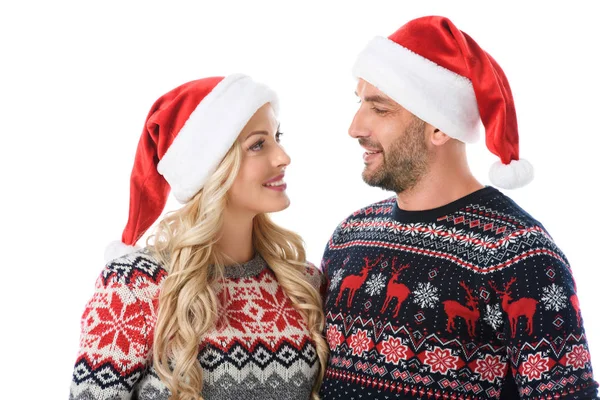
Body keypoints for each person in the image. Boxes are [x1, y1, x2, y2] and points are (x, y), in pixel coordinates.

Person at [319, 16, 598, 400]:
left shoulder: (520, 256)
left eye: (379, 109)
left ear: (439, 127)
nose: (355, 126)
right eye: (360, 103)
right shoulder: (349, 238)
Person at [69, 74, 328, 400]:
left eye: (277, 137)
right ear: (210, 166)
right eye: (258, 145)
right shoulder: (135, 285)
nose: (283, 157)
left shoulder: (303, 283)